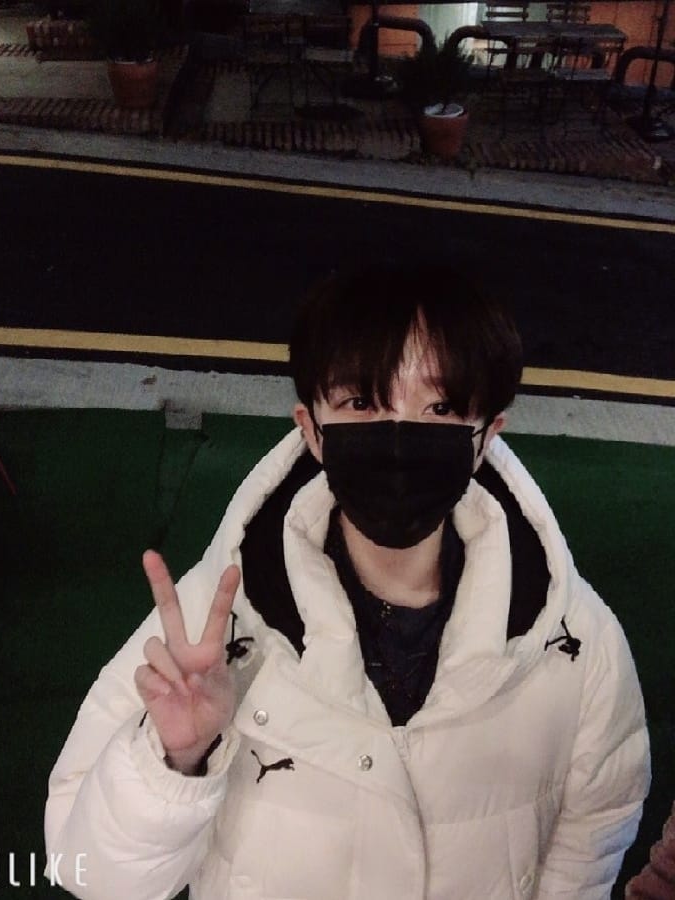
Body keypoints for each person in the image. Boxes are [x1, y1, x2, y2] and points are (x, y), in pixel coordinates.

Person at [45, 262, 650, 900]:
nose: (399, 437)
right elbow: (89, 869)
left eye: (440, 406)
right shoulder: (214, 623)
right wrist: (173, 762)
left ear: (485, 437)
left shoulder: (578, 643)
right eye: (362, 402)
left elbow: (589, 841)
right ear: (310, 429)